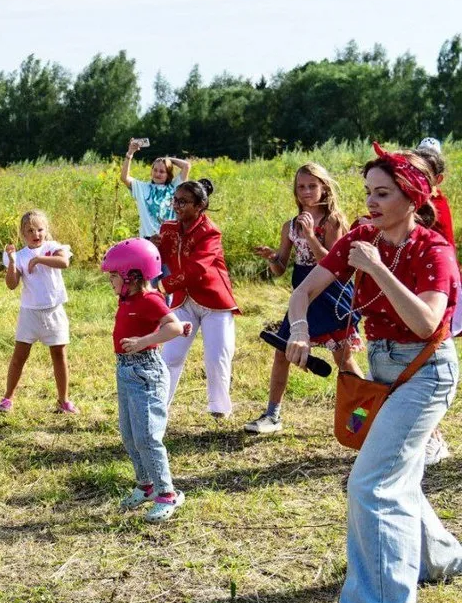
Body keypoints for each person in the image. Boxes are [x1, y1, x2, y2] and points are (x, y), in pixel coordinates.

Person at [287, 143, 462, 603]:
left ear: (413, 196)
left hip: (425, 372)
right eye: (368, 192)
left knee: (372, 484)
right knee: (394, 477)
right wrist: (298, 327)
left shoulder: (434, 250)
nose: (371, 203)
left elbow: (428, 322)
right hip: (382, 369)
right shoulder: (362, 237)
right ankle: (444, 559)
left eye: (383, 193)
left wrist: (378, 269)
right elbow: (304, 292)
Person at [245, 164, 364, 433]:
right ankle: (272, 415)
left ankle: (364, 413)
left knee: (342, 358)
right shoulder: (290, 225)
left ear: (323, 188)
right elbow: (280, 268)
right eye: (301, 187)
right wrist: (271, 258)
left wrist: (311, 235)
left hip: (330, 293)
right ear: (295, 192)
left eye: (312, 186)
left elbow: (332, 263)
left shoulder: (332, 221)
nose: (307, 191)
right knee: (282, 353)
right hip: (302, 296)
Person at [101, 238, 186, 522]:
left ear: (132, 276)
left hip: (145, 371)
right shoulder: (128, 298)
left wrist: (143, 341)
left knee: (148, 436)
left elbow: (173, 326)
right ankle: (146, 485)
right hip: (124, 370)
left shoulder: (150, 299)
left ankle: (167, 494)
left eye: (114, 275)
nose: (110, 281)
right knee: (129, 435)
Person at [157, 179, 239, 419]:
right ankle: (159, 406)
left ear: (200, 205)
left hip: (215, 301)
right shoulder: (168, 229)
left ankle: (219, 408)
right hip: (184, 300)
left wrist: (163, 285)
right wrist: (152, 246)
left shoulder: (210, 232)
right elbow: (159, 256)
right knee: (170, 355)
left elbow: (197, 270)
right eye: (175, 200)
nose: (177, 206)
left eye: (183, 202)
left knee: (216, 357)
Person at [0, 210, 76, 414]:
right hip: (30, 313)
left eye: (40, 229)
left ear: (46, 230)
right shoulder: (20, 256)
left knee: (59, 354)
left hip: (54, 311)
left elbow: (64, 263)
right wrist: (12, 262)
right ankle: (7, 398)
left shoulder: (53, 247)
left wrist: (40, 260)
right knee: (19, 357)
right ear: (23, 234)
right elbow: (12, 285)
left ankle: (63, 400)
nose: (36, 234)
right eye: (30, 230)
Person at [416, 137, 454, 466]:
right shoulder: (411, 201)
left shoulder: (436, 205)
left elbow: (443, 251)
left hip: (433, 292)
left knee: (427, 359)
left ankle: (434, 437)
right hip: (413, 289)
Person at [120, 140, 191, 239]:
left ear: (168, 175)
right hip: (148, 240)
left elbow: (186, 166)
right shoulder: (142, 187)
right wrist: (130, 154)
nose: (157, 174)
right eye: (155, 170)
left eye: (162, 171)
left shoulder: (175, 187)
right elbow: (124, 178)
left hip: (169, 239)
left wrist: (166, 159)